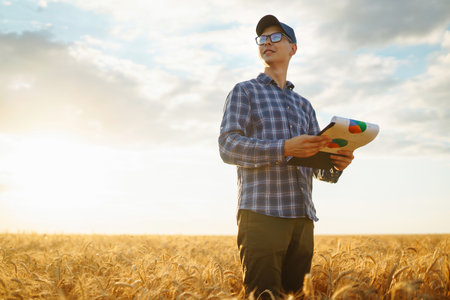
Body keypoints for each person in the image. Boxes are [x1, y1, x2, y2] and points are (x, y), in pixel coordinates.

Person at [218, 15, 354, 298]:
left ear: (293, 48)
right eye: (262, 38)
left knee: (298, 295)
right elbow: (228, 146)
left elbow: (319, 169)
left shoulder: (304, 105)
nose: (267, 42)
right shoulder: (245, 91)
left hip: (302, 218)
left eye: (276, 36)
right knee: (264, 295)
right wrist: (285, 148)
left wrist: (337, 164)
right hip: (261, 214)